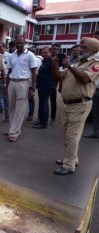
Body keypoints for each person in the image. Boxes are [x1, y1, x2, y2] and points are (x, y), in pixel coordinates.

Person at [52, 37, 99, 175]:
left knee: (72, 135)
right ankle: (71, 158)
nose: (80, 50)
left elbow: (85, 79)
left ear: (93, 50)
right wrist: (55, 63)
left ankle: (68, 165)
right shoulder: (79, 62)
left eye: (84, 48)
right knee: (65, 134)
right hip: (68, 104)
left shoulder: (95, 63)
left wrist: (69, 66)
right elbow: (58, 77)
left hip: (80, 104)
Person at [6, 36, 37, 142]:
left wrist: (32, 88)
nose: (18, 45)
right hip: (12, 83)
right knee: (11, 107)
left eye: (21, 43)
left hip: (23, 83)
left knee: (20, 109)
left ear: (25, 43)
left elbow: (34, 72)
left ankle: (13, 132)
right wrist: (6, 86)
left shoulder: (30, 55)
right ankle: (14, 129)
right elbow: (9, 71)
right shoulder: (12, 55)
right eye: (17, 43)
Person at [33, 47, 54, 129]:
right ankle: (41, 120)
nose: (44, 54)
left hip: (46, 86)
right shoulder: (45, 61)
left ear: (50, 52)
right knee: (43, 104)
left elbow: (53, 75)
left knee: (43, 104)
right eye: (42, 52)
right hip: (42, 86)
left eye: (46, 52)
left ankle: (43, 123)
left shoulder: (51, 61)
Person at [27, 46, 42, 122]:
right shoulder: (27, 58)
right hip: (25, 81)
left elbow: (36, 73)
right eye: (30, 51)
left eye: (33, 51)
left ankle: (30, 114)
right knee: (27, 99)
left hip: (32, 82)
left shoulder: (38, 60)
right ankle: (29, 114)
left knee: (31, 99)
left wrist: (33, 86)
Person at [0, 41, 11, 121]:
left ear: (4, 47)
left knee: (5, 98)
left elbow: (10, 69)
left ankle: (7, 115)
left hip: (5, 79)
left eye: (0, 47)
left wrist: (7, 81)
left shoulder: (9, 56)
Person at [50, 43, 61, 124]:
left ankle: (53, 118)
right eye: (54, 49)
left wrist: (60, 84)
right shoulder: (48, 57)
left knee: (53, 100)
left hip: (54, 83)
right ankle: (41, 117)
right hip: (45, 82)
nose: (55, 50)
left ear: (59, 50)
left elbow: (61, 73)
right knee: (43, 101)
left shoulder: (59, 60)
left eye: (57, 49)